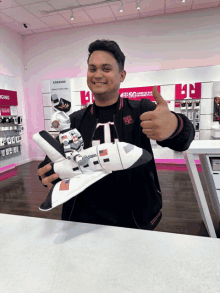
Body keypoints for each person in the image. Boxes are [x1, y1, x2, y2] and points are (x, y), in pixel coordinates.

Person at [37, 39, 195, 230]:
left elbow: (183, 141)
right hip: (82, 219)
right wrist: (49, 172)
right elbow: (53, 163)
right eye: (92, 69)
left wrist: (175, 125)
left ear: (122, 75)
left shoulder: (141, 110)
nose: (98, 75)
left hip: (135, 218)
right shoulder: (74, 121)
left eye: (106, 68)